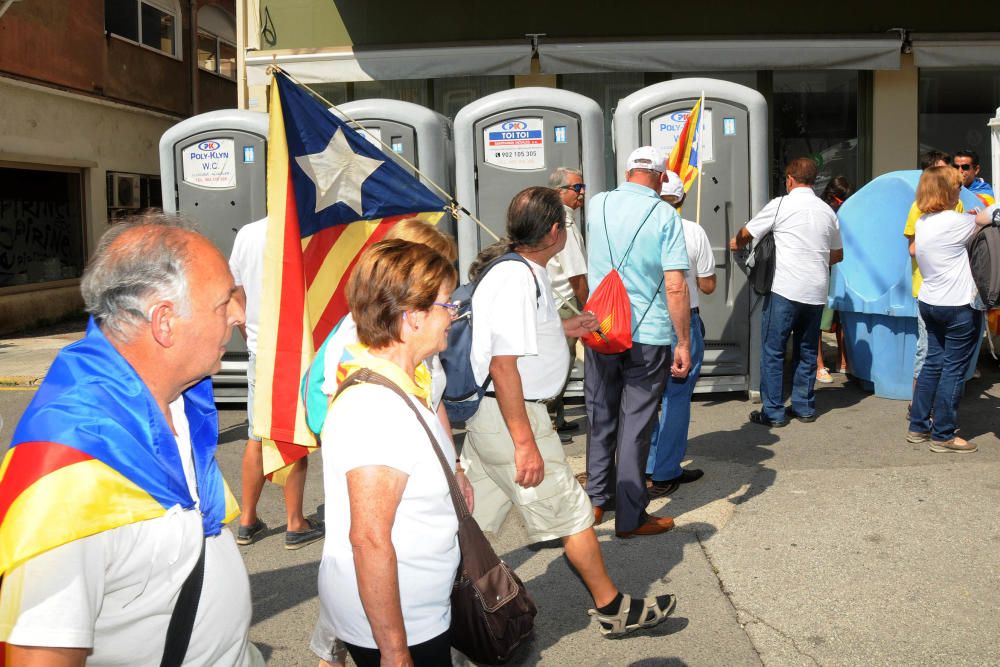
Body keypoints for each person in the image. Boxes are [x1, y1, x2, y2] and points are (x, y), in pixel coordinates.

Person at [0, 214, 260, 665]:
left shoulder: (181, 398)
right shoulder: (68, 469)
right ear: (164, 322)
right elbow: (40, 654)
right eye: (225, 302)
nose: (239, 313)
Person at [461, 186, 677, 637]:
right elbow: (503, 365)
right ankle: (612, 607)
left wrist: (565, 327)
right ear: (556, 231)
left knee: (469, 521)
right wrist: (527, 445)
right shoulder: (517, 277)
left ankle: (423, 603)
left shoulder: (525, 270)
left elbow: (518, 337)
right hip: (516, 419)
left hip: (496, 420)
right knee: (574, 515)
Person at [306, 219, 467, 667]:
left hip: (417, 609)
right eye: (446, 305)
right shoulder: (375, 408)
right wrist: (394, 653)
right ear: (412, 316)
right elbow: (370, 539)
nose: (452, 316)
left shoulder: (403, 381)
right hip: (399, 624)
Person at [585, 146, 691, 537]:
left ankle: (596, 502)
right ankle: (630, 517)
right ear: (662, 178)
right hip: (648, 334)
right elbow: (676, 285)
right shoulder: (665, 215)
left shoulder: (596, 204)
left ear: (627, 171)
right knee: (636, 425)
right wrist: (683, 341)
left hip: (601, 326)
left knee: (600, 415)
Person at [229, 216, 324, 549]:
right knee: (292, 431)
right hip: (297, 349)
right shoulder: (308, 230)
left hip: (261, 350)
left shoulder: (248, 232)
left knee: (257, 435)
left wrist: (251, 336)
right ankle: (295, 523)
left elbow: (236, 292)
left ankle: (247, 521)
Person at [730, 157, 843, 427]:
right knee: (806, 351)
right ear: (813, 181)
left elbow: (747, 232)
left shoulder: (780, 204)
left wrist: (736, 241)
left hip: (785, 290)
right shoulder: (827, 211)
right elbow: (837, 255)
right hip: (816, 292)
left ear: (790, 179)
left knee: (774, 350)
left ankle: (774, 412)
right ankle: (804, 407)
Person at [907, 167, 994, 453]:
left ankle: (918, 425)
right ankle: (943, 434)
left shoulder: (923, 222)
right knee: (954, 370)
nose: (960, 191)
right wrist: (978, 216)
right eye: (956, 187)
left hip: (930, 301)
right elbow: (990, 215)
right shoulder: (957, 222)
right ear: (947, 191)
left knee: (933, 362)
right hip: (957, 305)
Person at [646, 171, 716, 497]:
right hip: (683, 322)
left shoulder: (641, 228)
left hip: (645, 322)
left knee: (646, 397)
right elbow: (708, 285)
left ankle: (645, 464)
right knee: (677, 398)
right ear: (682, 199)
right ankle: (665, 471)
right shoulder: (693, 231)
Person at [903, 153, 964, 414]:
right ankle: (919, 406)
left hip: (952, 292)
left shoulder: (958, 207)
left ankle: (926, 409)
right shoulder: (919, 210)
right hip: (928, 288)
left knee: (940, 355)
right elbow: (913, 247)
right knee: (928, 353)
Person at [546, 167, 590, 442]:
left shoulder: (557, 217)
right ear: (559, 192)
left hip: (556, 300)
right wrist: (587, 309)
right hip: (565, 302)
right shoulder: (565, 222)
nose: (582, 192)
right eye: (576, 187)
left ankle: (558, 418)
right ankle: (549, 425)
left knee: (559, 359)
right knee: (561, 362)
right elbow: (576, 274)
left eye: (582, 186)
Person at [815, 176, 853, 384]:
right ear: (833, 198)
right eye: (842, 202)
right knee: (820, 319)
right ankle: (819, 364)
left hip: (844, 268)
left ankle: (843, 359)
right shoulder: (822, 211)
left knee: (840, 316)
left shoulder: (845, 212)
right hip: (825, 268)